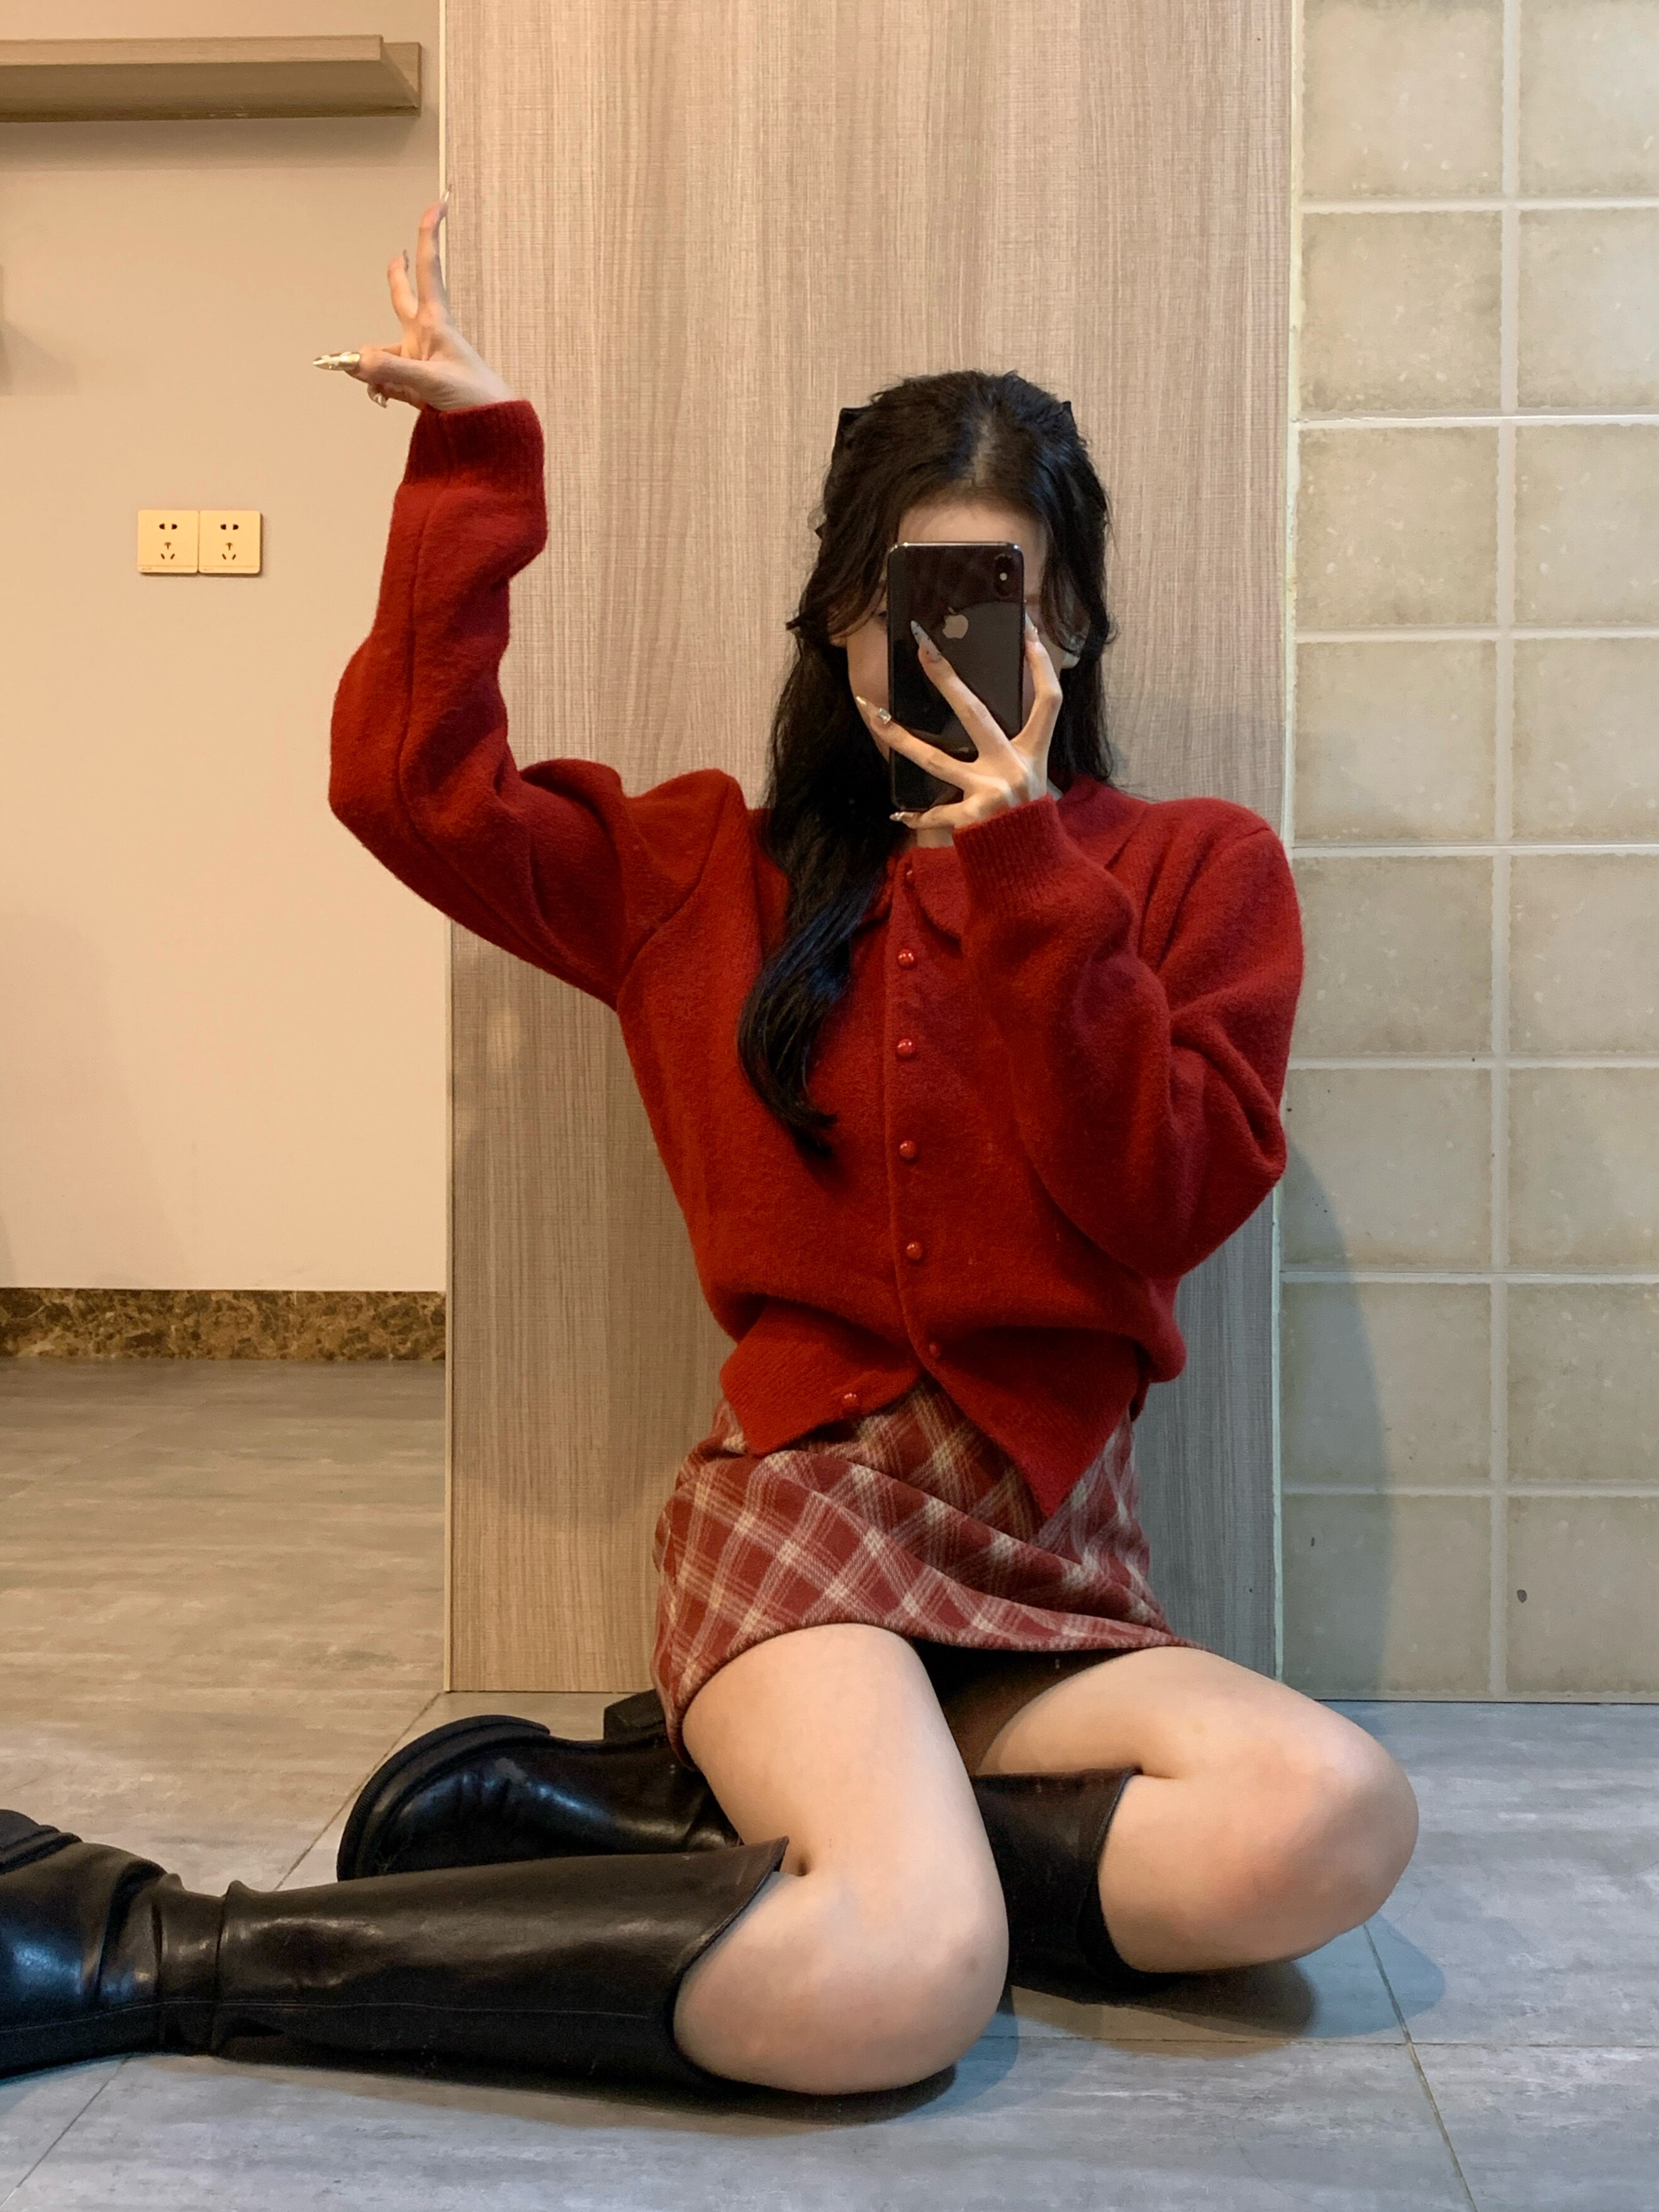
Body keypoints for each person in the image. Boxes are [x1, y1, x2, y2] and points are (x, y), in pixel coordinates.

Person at [0, 198, 1417, 2100]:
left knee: (1332, 1821)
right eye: (905, 600)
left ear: (1073, 621)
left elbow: (1163, 1196)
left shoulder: (1189, 874)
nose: (949, 643)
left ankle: (676, 1831)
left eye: (1000, 595)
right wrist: (476, 464)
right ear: (837, 627)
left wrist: (1023, 870)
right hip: (805, 1521)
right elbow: (408, 792)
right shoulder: (700, 875)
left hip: (1052, 1552)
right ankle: (150, 1943)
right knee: (898, 1977)